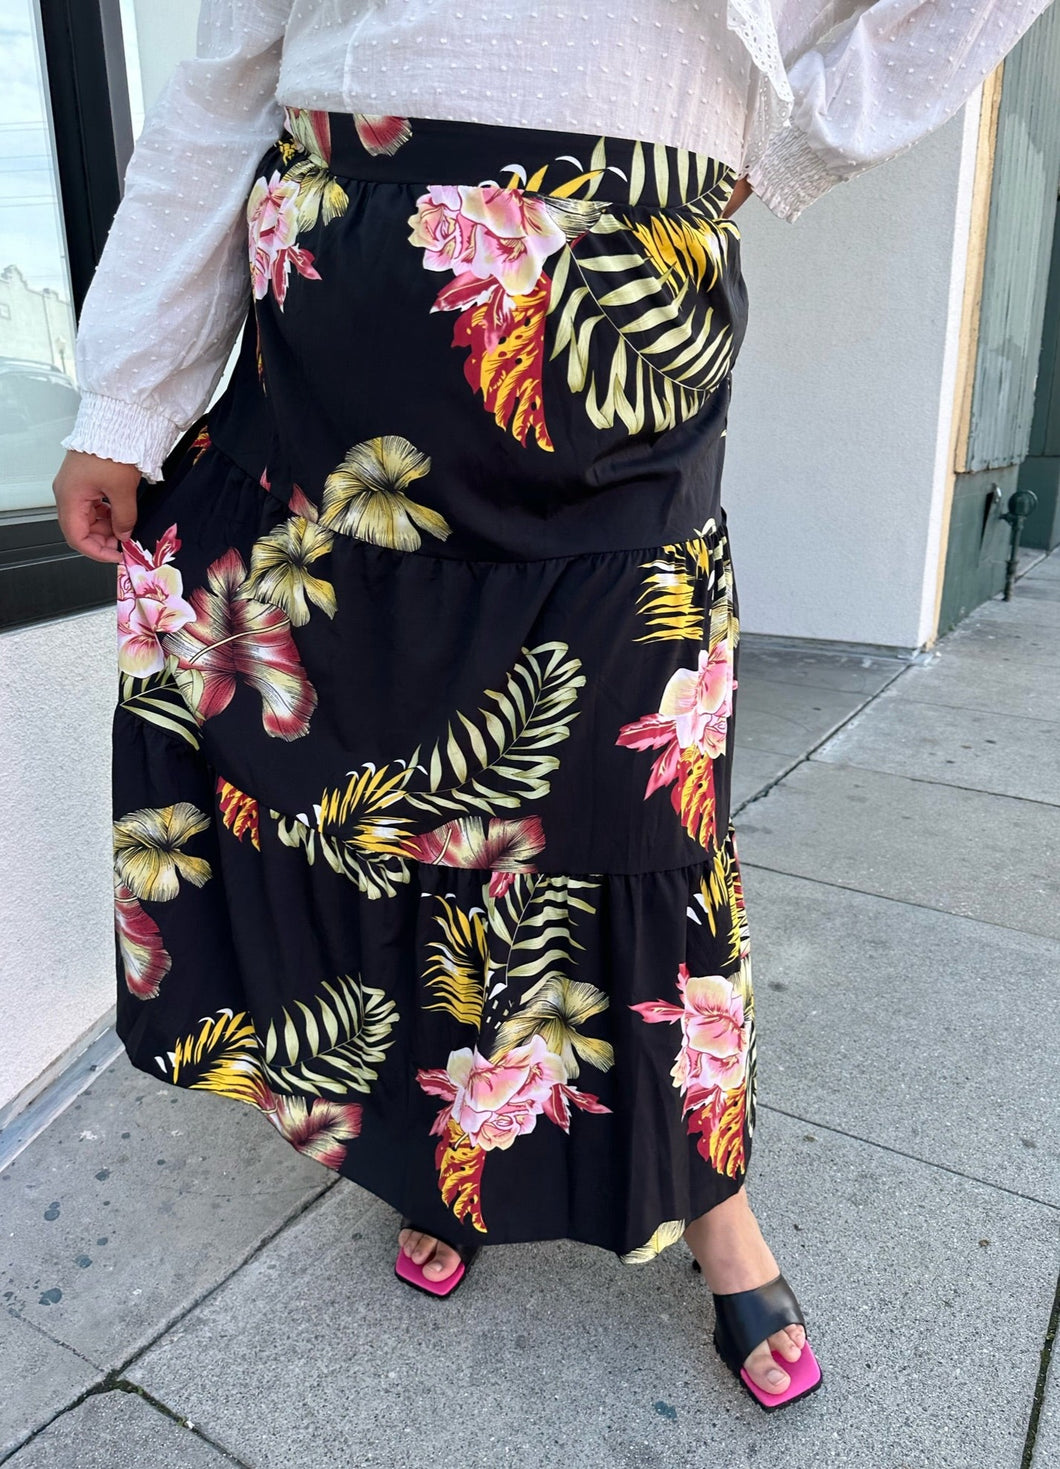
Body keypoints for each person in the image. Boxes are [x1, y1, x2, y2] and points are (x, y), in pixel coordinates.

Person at [52, 0, 1050, 1412]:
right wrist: (129, 399)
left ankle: (716, 1208)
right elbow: (223, 83)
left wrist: (800, 133)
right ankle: (437, 1148)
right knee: (384, 787)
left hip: (614, 330)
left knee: (633, 800)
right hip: (327, 361)